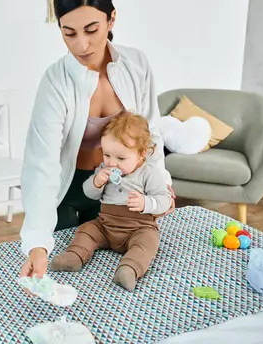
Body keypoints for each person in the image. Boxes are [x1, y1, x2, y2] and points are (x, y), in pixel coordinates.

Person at [19, 0, 175, 279]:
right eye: (69, 33)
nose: (82, 44)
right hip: (66, 188)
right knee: (68, 267)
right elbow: (42, 164)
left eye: (92, 30)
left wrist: (161, 184)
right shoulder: (55, 82)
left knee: (116, 267)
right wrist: (36, 241)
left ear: (111, 18)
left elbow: (150, 133)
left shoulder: (136, 64)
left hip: (118, 188)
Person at [49, 111, 172, 291]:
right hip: (106, 226)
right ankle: (74, 256)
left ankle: (129, 269)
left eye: (121, 158)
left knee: (148, 243)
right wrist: (96, 182)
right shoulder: (104, 169)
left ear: (141, 154)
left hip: (138, 228)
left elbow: (165, 199)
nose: (112, 163)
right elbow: (90, 194)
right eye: (107, 155)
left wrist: (146, 203)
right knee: (87, 230)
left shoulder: (149, 173)